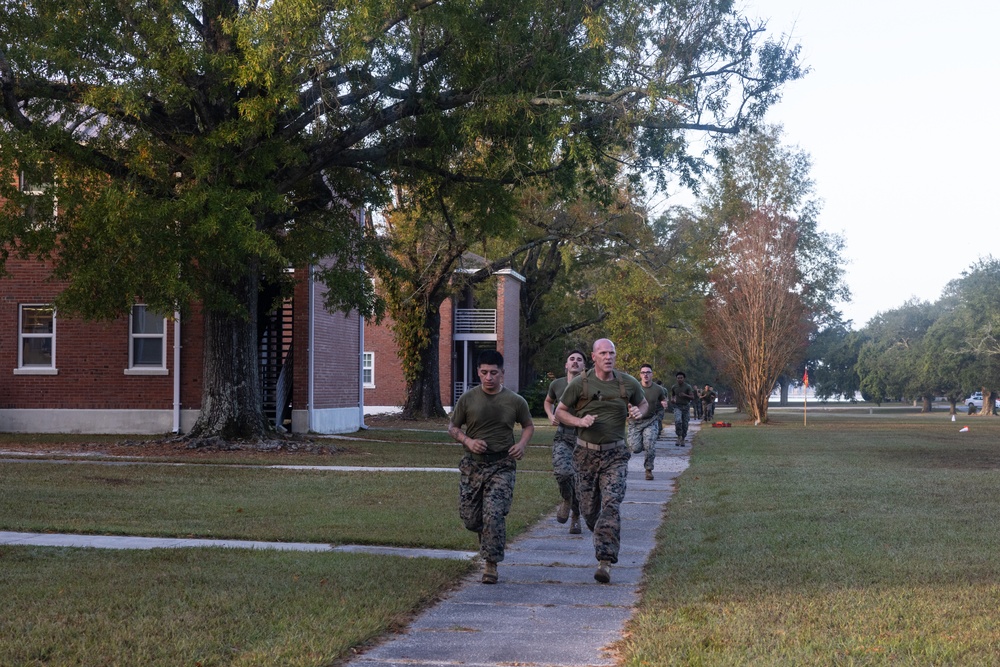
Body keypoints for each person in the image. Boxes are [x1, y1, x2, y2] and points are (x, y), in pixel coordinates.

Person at [556, 338, 647, 584]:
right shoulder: (579, 383)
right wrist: (579, 421)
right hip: (585, 455)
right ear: (594, 357)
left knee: (611, 504)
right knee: (589, 512)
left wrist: (639, 412)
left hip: (615, 455)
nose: (608, 357)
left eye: (612, 353)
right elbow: (560, 412)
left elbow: (643, 403)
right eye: (603, 353)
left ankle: (605, 561)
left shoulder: (627, 382)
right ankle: (604, 534)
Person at [448, 349, 534, 584]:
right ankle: (487, 537)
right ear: (478, 372)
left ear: (502, 374)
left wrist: (522, 445)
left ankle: (491, 565)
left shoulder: (515, 401)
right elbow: (452, 428)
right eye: (484, 372)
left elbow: (528, 426)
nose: (489, 377)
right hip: (472, 467)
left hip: (502, 465)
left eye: (494, 373)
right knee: (471, 518)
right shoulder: (467, 399)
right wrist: (468, 441)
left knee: (494, 515)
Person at [543, 349, 587, 534]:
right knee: (563, 473)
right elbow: (548, 401)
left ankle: (575, 516)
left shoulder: (590, 385)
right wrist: (550, 414)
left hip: (584, 438)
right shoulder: (557, 384)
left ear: (585, 366)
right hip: (563, 436)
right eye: (572, 359)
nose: (575, 362)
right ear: (566, 365)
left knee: (579, 479)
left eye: (579, 360)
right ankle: (566, 499)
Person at [628, 364, 669, 480]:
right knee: (635, 448)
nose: (645, 374)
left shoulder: (658, 389)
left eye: (648, 372)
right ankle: (640, 443)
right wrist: (629, 410)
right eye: (643, 372)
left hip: (651, 421)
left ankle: (648, 470)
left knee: (650, 445)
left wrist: (664, 404)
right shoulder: (634, 388)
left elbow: (663, 399)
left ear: (652, 374)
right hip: (635, 422)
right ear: (640, 374)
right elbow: (626, 401)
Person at [670, 371, 696, 446]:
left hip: (686, 407)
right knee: (678, 421)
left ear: (684, 378)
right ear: (676, 379)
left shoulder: (687, 387)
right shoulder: (674, 387)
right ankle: (679, 437)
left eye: (681, 378)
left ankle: (683, 439)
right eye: (678, 378)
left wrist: (685, 395)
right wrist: (672, 399)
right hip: (677, 407)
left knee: (685, 424)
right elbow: (673, 395)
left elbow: (692, 397)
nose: (680, 379)